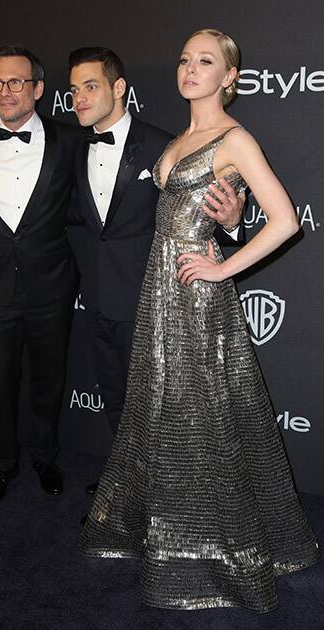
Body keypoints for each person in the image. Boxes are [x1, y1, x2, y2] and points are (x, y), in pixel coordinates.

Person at [79, 30, 319, 612]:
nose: (190, 68)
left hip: (196, 299)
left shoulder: (235, 139)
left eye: (205, 61)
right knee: (163, 414)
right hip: (156, 297)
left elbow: (285, 220)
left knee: (204, 420)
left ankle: (217, 551)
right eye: (184, 58)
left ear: (229, 78)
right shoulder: (176, 138)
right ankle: (163, 530)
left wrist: (222, 266)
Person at [69, 47, 244, 498]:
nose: (80, 98)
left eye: (91, 86)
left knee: (159, 410)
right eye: (73, 90)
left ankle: (163, 500)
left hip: (154, 300)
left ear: (119, 87)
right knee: (116, 401)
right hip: (96, 297)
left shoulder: (165, 144)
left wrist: (231, 224)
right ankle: (128, 488)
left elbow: (193, 219)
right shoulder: (72, 147)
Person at [0, 46, 82, 504]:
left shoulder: (71, 141)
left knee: (49, 376)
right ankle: (2, 462)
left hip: (51, 284)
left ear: (37, 88)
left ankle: (45, 456)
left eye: (16, 82)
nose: (5, 91)